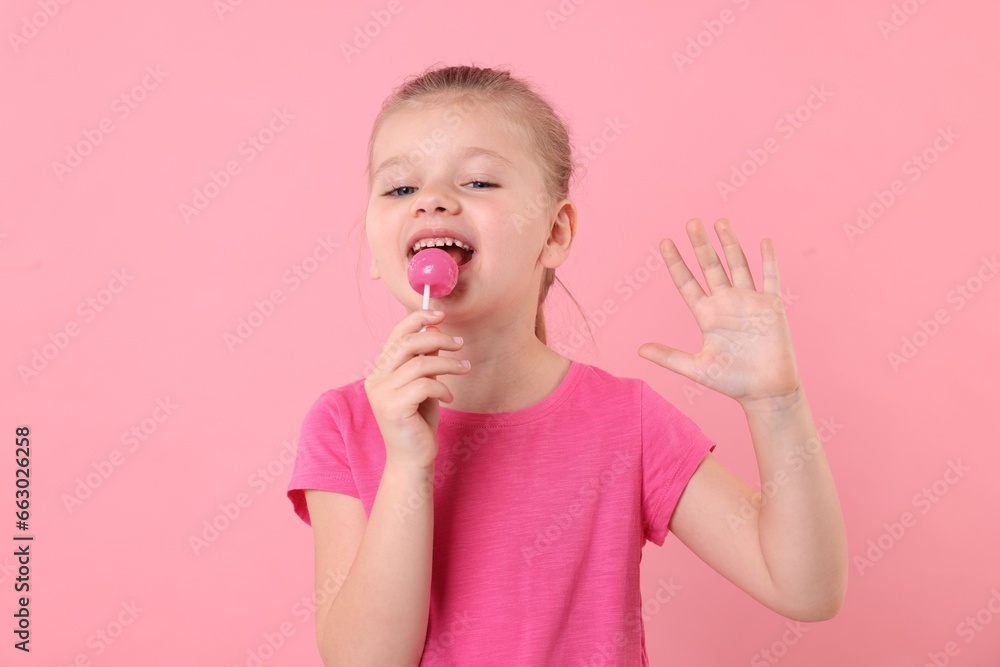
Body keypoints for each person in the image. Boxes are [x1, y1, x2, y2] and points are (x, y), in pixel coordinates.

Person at [286, 64, 847, 666]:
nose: (432, 201)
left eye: (477, 182)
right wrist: (407, 465)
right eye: (399, 189)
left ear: (555, 231)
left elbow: (806, 589)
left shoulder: (626, 421)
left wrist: (777, 406)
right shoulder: (344, 424)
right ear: (374, 247)